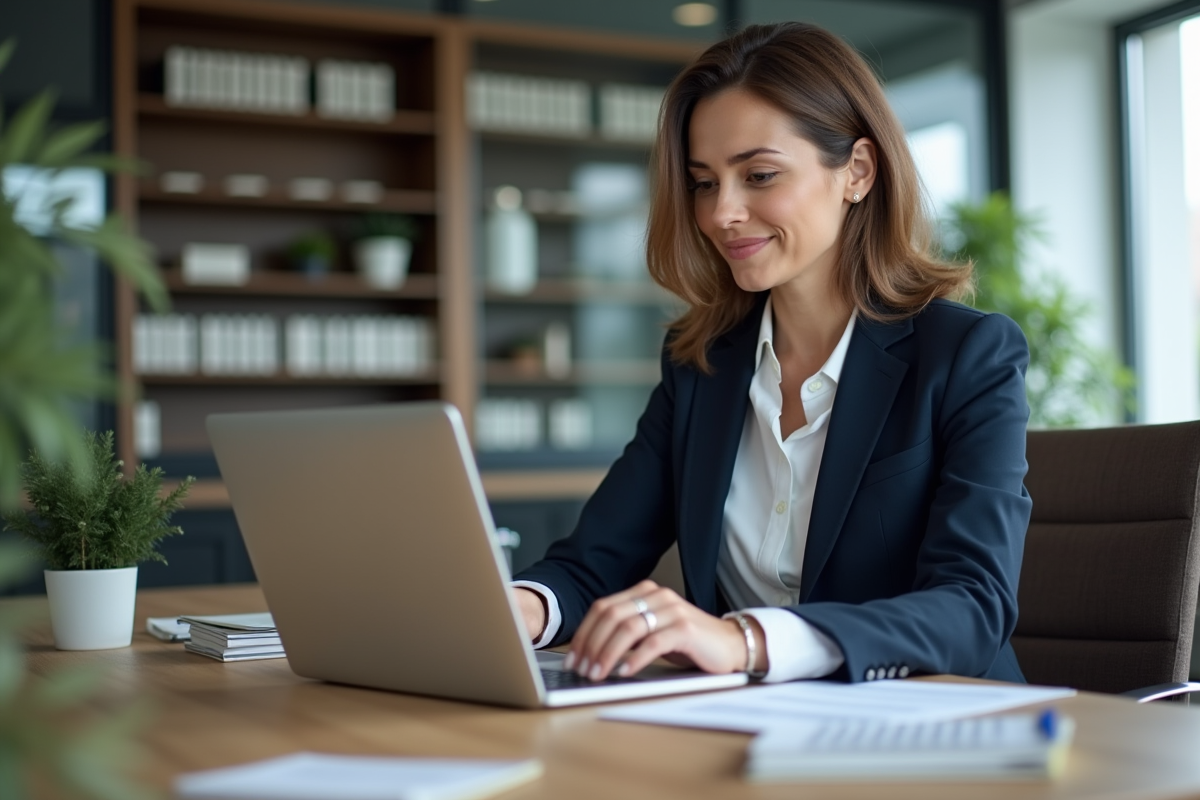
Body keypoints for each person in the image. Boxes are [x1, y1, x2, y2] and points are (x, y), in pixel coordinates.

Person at [511, 21, 1031, 685]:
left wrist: (747, 641)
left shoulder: (965, 355)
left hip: (939, 734)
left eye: (758, 175)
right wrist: (518, 607)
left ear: (858, 172)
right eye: (704, 182)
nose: (722, 213)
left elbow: (973, 605)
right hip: (752, 734)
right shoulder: (700, 363)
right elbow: (590, 563)